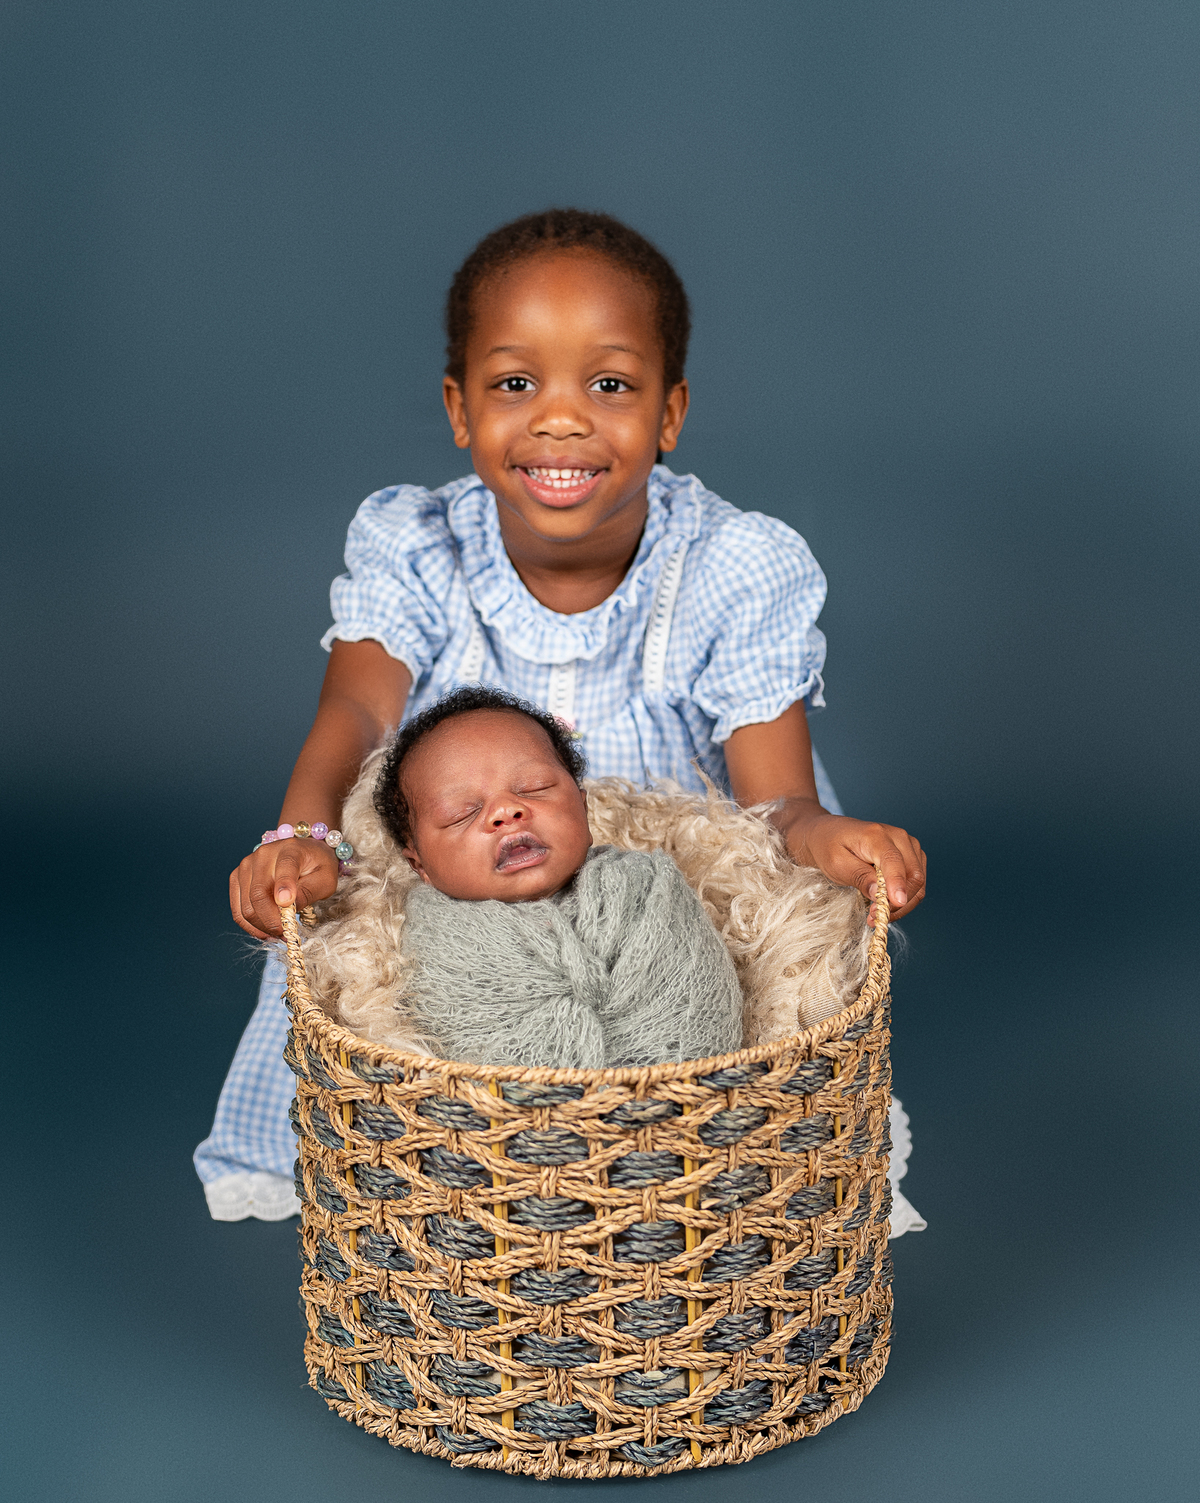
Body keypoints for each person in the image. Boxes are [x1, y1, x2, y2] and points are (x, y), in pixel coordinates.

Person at [195, 208, 928, 1225]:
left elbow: (778, 811)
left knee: (731, 998)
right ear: (459, 408)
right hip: (465, 890)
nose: (560, 420)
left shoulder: (730, 568)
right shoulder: (421, 548)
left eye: (611, 385)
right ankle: (457, 1193)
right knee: (375, 973)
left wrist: (830, 839)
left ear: (670, 414)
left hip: (666, 900)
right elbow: (359, 710)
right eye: (514, 384)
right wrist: (300, 835)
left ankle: (680, 1193)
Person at [366, 686, 745, 1070]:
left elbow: (698, 1010)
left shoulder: (647, 885)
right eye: (461, 813)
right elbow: (475, 1054)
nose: (506, 811)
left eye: (535, 788)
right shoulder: (436, 935)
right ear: (421, 867)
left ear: (583, 809)